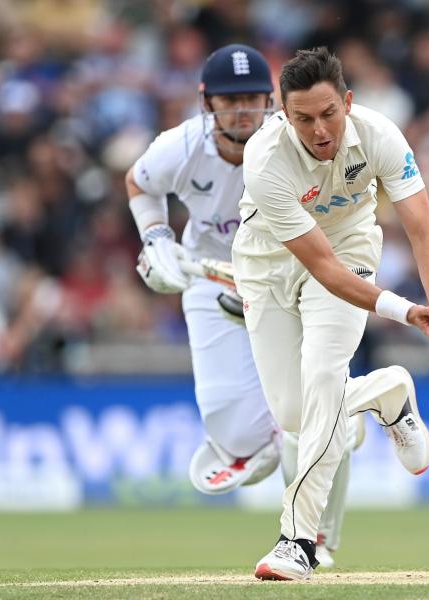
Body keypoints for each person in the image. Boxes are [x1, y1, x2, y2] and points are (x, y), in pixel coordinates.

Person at [233, 47, 429, 581]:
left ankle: (297, 541)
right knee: (297, 416)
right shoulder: (265, 159)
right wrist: (411, 313)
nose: (319, 130)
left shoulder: (381, 135)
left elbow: (423, 229)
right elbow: (318, 266)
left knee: (321, 381)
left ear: (347, 101)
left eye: (328, 114)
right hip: (270, 265)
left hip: (351, 251)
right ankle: (387, 391)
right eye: (303, 119)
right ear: (282, 113)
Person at [125, 44, 361, 567]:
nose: (243, 111)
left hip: (289, 275)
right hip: (210, 278)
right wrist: (156, 235)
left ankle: (314, 537)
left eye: (253, 99)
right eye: (230, 101)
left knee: (315, 405)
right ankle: (329, 419)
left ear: (269, 101)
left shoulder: (294, 142)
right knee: (234, 436)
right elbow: (139, 185)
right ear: (206, 102)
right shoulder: (180, 146)